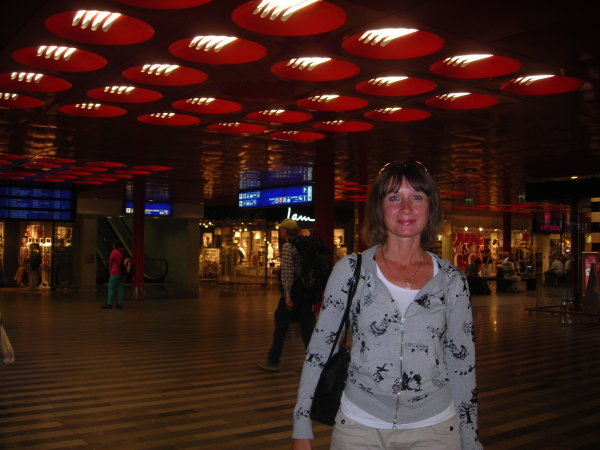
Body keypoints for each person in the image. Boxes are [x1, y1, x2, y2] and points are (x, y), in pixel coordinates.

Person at [292, 161, 482, 450]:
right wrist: (301, 425)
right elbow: (319, 350)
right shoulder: (351, 271)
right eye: (394, 197)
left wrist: (470, 439)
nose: (406, 208)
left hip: (436, 431)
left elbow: (462, 364)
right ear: (380, 208)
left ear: (430, 207)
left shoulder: (451, 280)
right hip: (359, 429)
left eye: (416, 196)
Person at [257, 218, 314, 372]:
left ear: (284, 231)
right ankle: (314, 364)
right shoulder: (303, 245)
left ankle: (273, 360)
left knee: (281, 325)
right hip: (305, 292)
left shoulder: (289, 247)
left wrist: (287, 295)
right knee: (307, 329)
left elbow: (287, 272)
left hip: (294, 293)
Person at [102, 241, 127, 309]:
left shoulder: (114, 252)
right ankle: (120, 304)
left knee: (111, 288)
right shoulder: (124, 252)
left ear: (115, 245)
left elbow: (110, 262)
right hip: (123, 273)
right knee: (121, 288)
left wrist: (110, 271)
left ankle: (109, 304)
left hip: (115, 272)